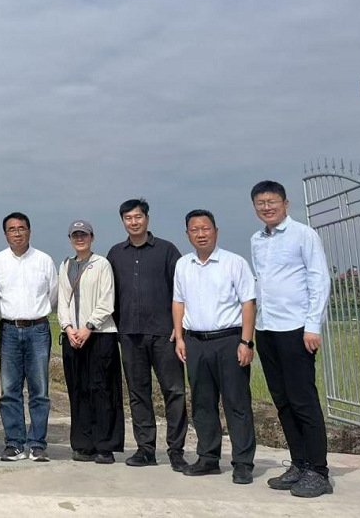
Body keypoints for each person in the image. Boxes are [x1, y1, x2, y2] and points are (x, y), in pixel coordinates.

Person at [250, 180, 332, 498]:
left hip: (296, 328)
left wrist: (313, 325)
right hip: (267, 328)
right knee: (282, 401)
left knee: (303, 400)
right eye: (260, 203)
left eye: (272, 201)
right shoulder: (257, 240)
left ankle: (319, 471)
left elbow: (318, 279)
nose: (266, 207)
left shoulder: (303, 235)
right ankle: (299, 463)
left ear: (286, 203)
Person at [172, 209, 257, 485]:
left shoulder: (234, 263)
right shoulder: (183, 265)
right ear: (187, 234)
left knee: (236, 402)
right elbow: (178, 302)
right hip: (196, 341)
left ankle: (242, 463)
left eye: (205, 228)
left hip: (229, 340)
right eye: (194, 230)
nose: (201, 234)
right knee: (202, 403)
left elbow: (248, 303)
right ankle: (208, 457)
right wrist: (180, 337)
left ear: (216, 231)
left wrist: (246, 341)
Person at [106, 198, 187, 470]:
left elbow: (182, 290)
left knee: (174, 391)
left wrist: (179, 327)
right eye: (128, 218)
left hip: (164, 333)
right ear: (123, 222)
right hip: (130, 334)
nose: (134, 222)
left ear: (147, 219)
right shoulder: (116, 253)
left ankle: (176, 450)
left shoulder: (167, 250)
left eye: (138, 217)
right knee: (138, 393)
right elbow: (109, 293)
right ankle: (145, 449)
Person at [0, 212, 58, 462]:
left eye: (21, 228)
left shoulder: (44, 260)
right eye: (12, 229)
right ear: (5, 234)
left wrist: (36, 314)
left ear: (29, 231)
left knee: (39, 390)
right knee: (10, 389)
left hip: (38, 329)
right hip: (8, 329)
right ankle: (15, 443)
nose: (17, 233)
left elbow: (53, 295)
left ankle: (37, 443)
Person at [58, 220, 124, 464]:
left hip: (100, 335)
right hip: (73, 337)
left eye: (84, 234)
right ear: (70, 239)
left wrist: (89, 326)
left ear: (92, 237)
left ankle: (105, 446)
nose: (80, 239)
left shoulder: (102, 264)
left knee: (102, 390)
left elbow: (107, 300)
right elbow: (62, 300)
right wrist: (68, 328)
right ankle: (83, 444)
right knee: (78, 390)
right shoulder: (65, 265)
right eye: (75, 235)